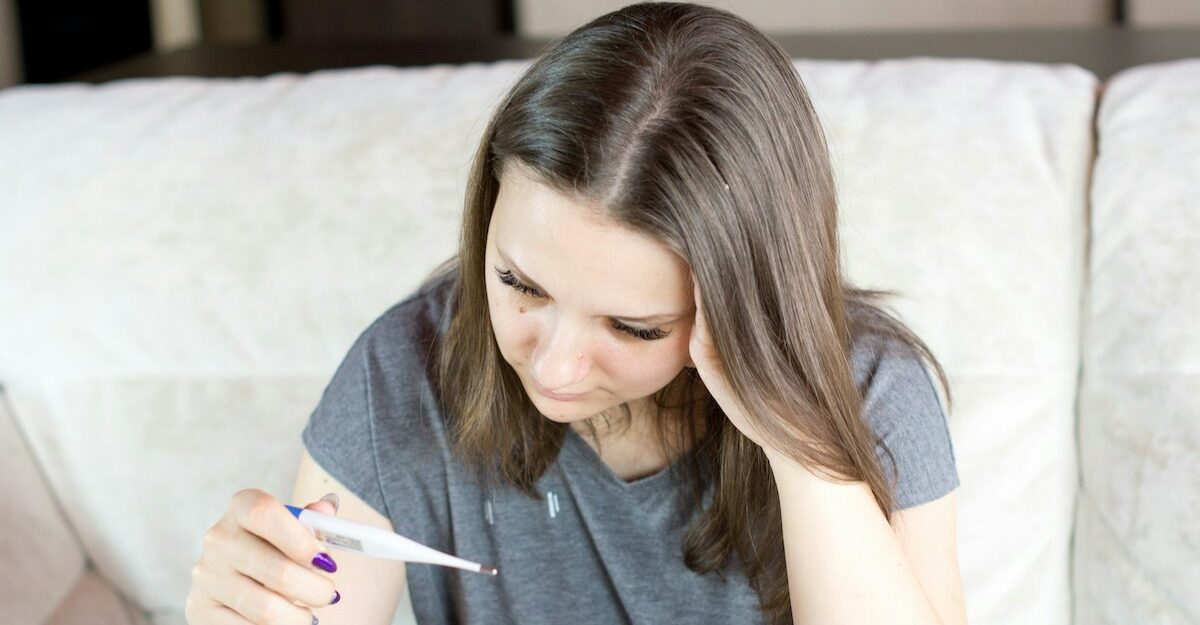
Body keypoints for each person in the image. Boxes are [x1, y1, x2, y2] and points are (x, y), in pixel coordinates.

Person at [185, 2, 967, 625]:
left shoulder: (873, 392)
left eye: (633, 327)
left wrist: (798, 441)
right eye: (519, 282)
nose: (553, 367)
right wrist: (247, 607)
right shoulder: (403, 375)